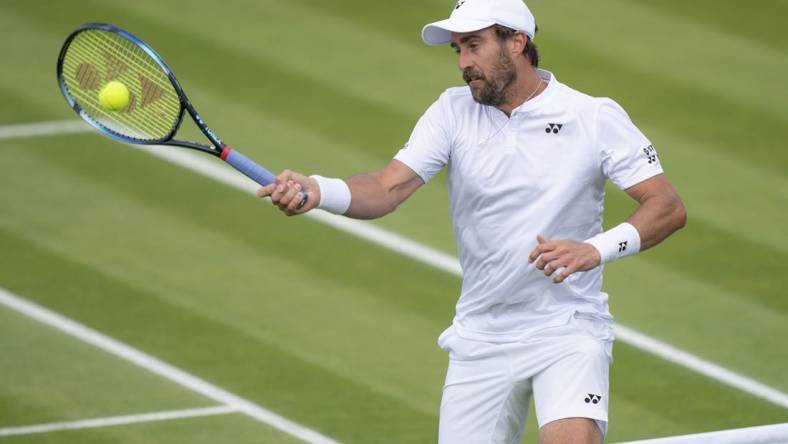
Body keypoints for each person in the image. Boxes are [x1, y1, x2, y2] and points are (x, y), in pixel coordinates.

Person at [258, 0, 686, 442]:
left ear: (517, 42)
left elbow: (666, 207)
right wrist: (318, 190)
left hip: (567, 327)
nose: (464, 63)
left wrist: (593, 250)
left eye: (474, 46)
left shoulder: (592, 117)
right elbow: (386, 189)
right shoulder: (451, 112)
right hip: (480, 336)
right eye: (458, 49)